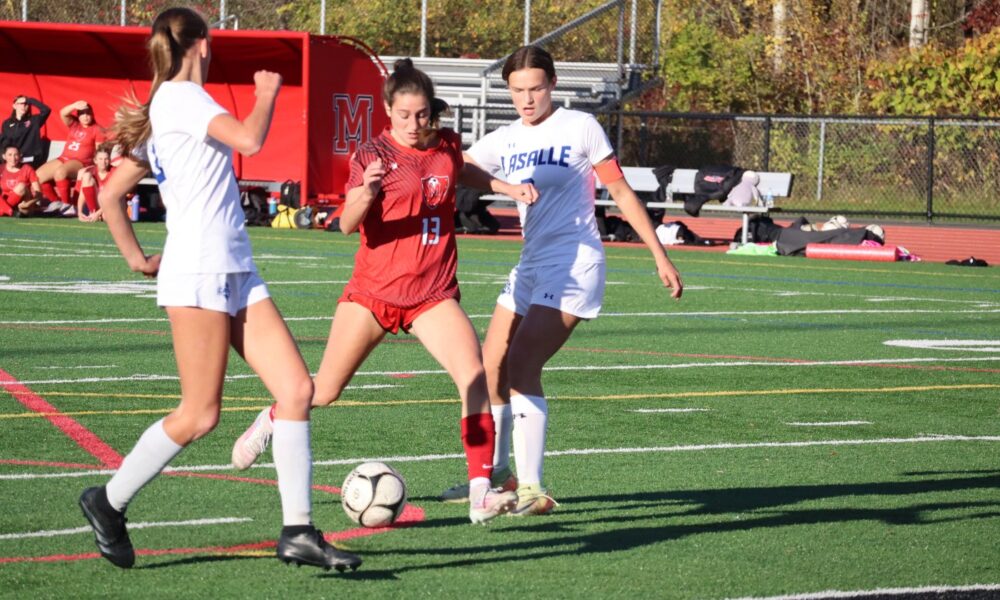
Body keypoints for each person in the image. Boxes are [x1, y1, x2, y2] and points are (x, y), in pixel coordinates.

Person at [78, 7, 360, 572]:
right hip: (200, 271)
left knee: (296, 390)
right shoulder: (183, 98)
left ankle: (298, 531)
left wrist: (137, 259)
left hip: (233, 268)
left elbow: (109, 195)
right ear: (202, 45)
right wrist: (267, 92)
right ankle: (108, 501)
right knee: (199, 414)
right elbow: (250, 139)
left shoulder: (168, 104)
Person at [230, 58, 536, 523]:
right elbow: (347, 224)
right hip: (373, 294)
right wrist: (368, 192)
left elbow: (460, 171)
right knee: (324, 390)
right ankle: (271, 418)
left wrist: (507, 188)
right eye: (404, 115)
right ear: (388, 110)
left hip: (432, 294)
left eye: (422, 114)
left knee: (473, 374)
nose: (414, 124)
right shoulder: (372, 155)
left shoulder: (446, 143)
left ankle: (480, 492)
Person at [439, 45, 683, 515]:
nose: (527, 99)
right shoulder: (505, 138)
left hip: (574, 263)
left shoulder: (579, 126)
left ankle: (533, 489)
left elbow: (619, 190)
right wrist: (491, 181)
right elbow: (458, 167)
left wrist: (660, 255)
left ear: (552, 84)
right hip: (530, 264)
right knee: (491, 365)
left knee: (522, 363)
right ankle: (497, 474)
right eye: (517, 91)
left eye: (535, 88)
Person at [35, 100, 103, 214]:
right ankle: (56, 202)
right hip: (64, 158)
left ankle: (68, 205)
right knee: (37, 177)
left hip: (82, 162)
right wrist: (74, 105)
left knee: (60, 172)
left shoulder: (97, 129)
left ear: (92, 114)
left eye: (88, 113)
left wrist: (97, 168)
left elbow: (99, 151)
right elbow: (62, 113)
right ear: (78, 115)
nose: (85, 116)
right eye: (82, 114)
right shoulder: (74, 124)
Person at [0, 95, 51, 166]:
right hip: (14, 158)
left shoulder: (34, 121)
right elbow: (5, 142)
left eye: (26, 104)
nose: (24, 106)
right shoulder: (7, 123)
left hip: (30, 159)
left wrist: (30, 100)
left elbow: (46, 110)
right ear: (14, 106)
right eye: (21, 103)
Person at [74, 144, 115, 222]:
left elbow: (113, 198)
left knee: (106, 217)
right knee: (86, 176)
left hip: (110, 205)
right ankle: (92, 212)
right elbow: (82, 193)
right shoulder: (90, 171)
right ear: (95, 160)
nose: (103, 162)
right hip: (96, 205)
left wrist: (98, 213)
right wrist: (79, 212)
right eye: (100, 159)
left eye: (106, 159)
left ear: (110, 160)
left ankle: (96, 215)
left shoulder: (114, 172)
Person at [0, 145, 42, 217]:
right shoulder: (1, 169)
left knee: (21, 186)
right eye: (10, 155)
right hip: (5, 203)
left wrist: (28, 204)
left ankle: (5, 211)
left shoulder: (27, 169)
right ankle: (10, 212)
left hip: (22, 206)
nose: (13, 158)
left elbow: (39, 194)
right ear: (4, 156)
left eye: (16, 155)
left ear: (20, 156)